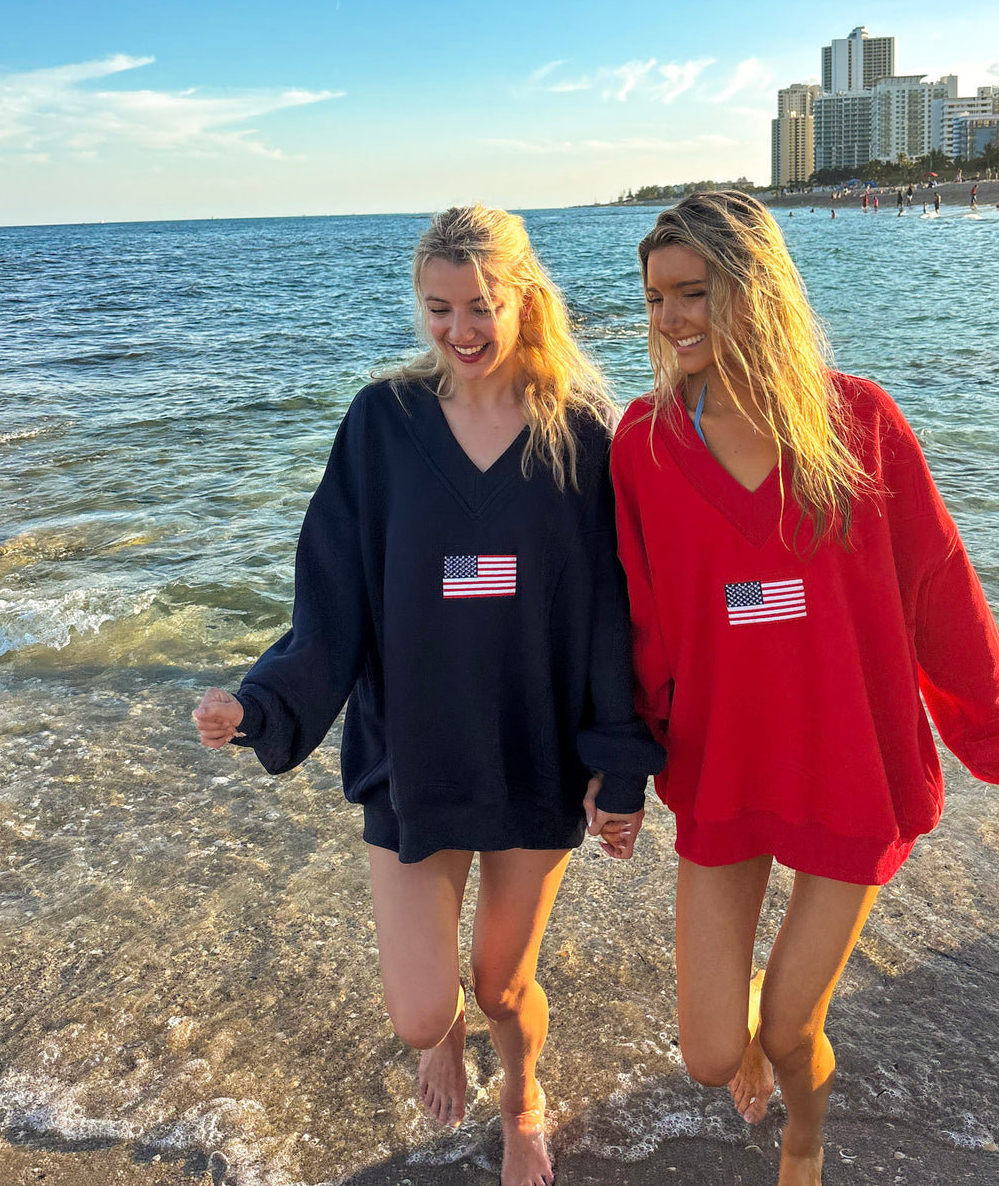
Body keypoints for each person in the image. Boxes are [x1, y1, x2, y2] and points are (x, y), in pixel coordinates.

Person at [610, 191, 999, 1186]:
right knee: (709, 1051)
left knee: (788, 1028)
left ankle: (805, 1135)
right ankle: (760, 1059)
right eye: (656, 297)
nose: (671, 320)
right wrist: (615, 769)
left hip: (850, 769)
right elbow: (640, 627)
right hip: (724, 770)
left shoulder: (860, 424)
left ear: (754, 290)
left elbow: (944, 604)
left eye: (693, 292)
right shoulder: (644, 442)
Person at [192, 204, 662, 1186]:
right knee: (421, 1009)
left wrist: (618, 767)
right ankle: (439, 1037)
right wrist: (260, 705)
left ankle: (523, 1098)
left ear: (524, 300)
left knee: (502, 983)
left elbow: (611, 614)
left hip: (535, 755)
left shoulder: (580, 438)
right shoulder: (382, 426)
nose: (461, 329)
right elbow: (331, 603)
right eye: (439, 308)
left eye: (481, 306)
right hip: (414, 754)